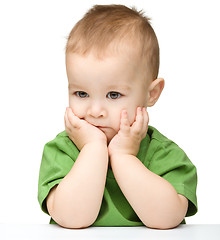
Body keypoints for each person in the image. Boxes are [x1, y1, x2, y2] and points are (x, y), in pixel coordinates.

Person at [38, 4, 197, 229]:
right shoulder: (62, 151)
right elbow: (72, 219)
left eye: (113, 95)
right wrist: (93, 148)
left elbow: (167, 219)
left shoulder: (163, 154)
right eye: (81, 93)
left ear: (151, 94)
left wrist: (123, 156)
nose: (95, 111)